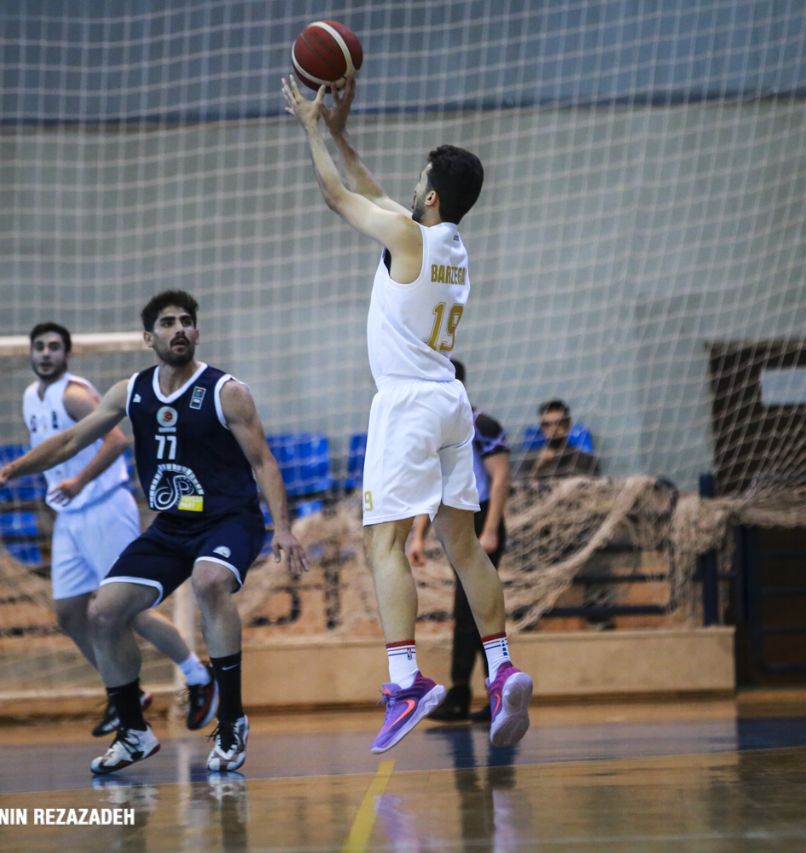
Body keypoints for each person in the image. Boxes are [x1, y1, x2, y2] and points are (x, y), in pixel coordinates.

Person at [282, 75, 533, 752]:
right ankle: (502, 666)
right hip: (452, 403)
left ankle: (406, 681)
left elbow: (341, 196)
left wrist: (311, 127)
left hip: (407, 403)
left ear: (431, 195)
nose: (411, 187)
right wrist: (341, 134)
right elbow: (376, 194)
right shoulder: (448, 244)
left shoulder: (409, 237)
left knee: (383, 544)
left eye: (419, 180)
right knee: (463, 545)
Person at [0, 292, 309, 773]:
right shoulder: (131, 390)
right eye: (167, 323)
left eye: (186, 321)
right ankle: (133, 732)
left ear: (197, 332)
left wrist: (284, 528)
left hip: (229, 518)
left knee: (209, 581)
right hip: (171, 525)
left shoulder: (227, 391)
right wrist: (9, 471)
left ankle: (231, 719)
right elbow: (70, 440)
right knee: (104, 612)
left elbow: (263, 461)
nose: (179, 329)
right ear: (148, 337)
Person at [20, 322, 218, 739]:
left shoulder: (74, 395)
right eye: (39, 347)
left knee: (128, 609)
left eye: (54, 347)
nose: (45, 353)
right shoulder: (30, 397)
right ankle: (126, 693)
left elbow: (116, 442)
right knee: (69, 613)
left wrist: (80, 482)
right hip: (70, 516)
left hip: (104, 507)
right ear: (31, 352)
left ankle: (198, 676)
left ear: (67, 354)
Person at [408, 358, 510, 722]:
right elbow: (433, 484)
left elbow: (500, 478)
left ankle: (475, 693)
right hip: (455, 519)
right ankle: (475, 692)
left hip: (481, 518)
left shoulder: (481, 424)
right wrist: (419, 535)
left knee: (474, 610)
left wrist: (491, 529)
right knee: (468, 611)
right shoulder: (439, 431)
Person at [514, 400, 601, 481]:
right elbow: (520, 488)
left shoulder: (585, 459)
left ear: (568, 424)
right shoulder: (530, 459)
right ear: (541, 427)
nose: (553, 429)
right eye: (546, 424)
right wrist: (538, 468)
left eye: (558, 423)